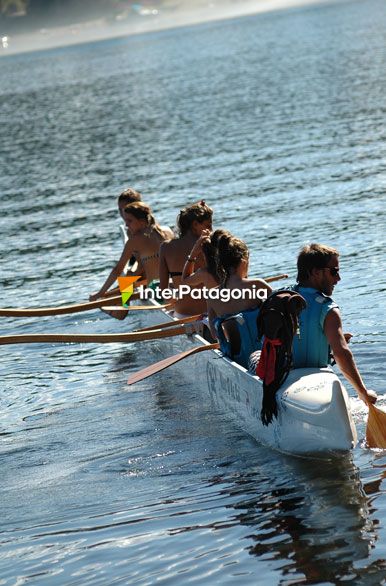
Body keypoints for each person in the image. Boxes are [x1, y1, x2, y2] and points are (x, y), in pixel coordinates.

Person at [292, 243, 377, 405]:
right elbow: (342, 353)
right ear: (316, 272)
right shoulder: (328, 308)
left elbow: (298, 334)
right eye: (334, 271)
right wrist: (364, 394)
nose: (338, 279)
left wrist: (326, 341)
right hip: (314, 384)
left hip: (280, 380)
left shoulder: (280, 298)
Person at [89, 202, 173, 317]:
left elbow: (117, 270)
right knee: (129, 277)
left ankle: (120, 310)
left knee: (126, 279)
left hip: (156, 291)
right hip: (176, 287)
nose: (126, 225)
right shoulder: (167, 231)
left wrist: (101, 293)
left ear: (142, 221)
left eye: (129, 221)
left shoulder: (135, 241)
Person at [207, 233, 272, 367]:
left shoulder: (211, 295)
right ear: (243, 261)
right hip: (264, 355)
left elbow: (214, 334)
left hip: (237, 360)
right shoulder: (257, 285)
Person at [159, 201, 213, 316]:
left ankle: (125, 302)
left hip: (182, 314)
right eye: (208, 225)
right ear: (195, 225)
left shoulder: (165, 247)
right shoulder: (209, 244)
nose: (211, 230)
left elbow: (163, 291)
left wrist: (177, 299)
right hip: (209, 312)